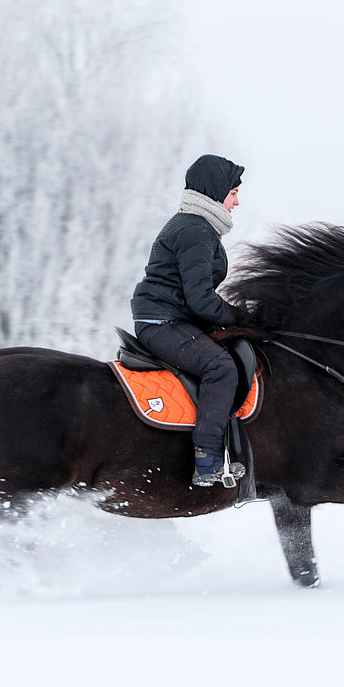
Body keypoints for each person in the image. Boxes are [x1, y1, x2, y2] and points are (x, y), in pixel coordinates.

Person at [130, 154, 248, 487]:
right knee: (220, 368)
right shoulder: (196, 230)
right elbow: (201, 301)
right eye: (234, 192)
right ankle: (207, 459)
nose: (238, 201)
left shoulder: (198, 226)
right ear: (215, 192)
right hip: (162, 323)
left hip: (170, 317)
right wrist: (240, 316)